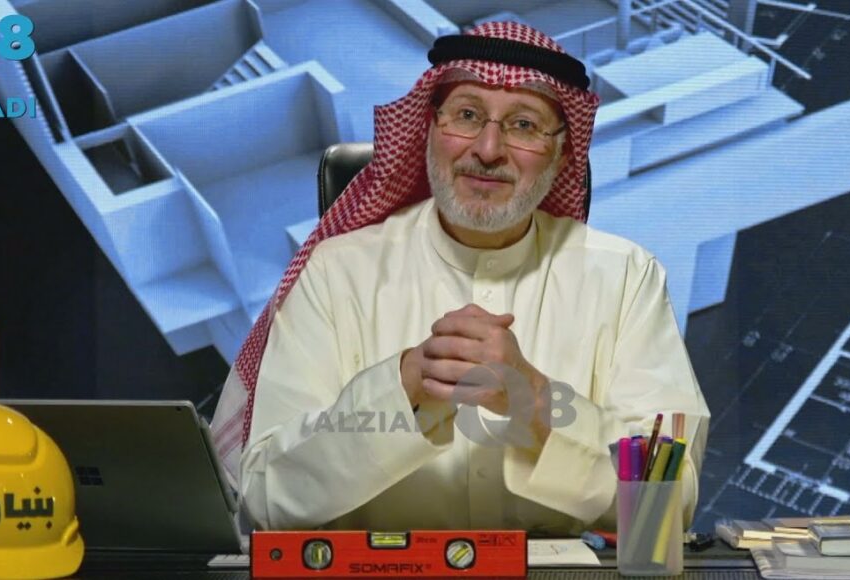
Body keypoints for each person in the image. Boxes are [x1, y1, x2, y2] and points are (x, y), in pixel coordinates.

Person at [211, 21, 710, 534]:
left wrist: (535, 401)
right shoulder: (337, 271)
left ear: (563, 153)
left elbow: (668, 505)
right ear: (429, 129)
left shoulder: (625, 277)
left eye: (523, 125)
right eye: (467, 115)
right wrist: (402, 386)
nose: (488, 149)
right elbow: (265, 499)